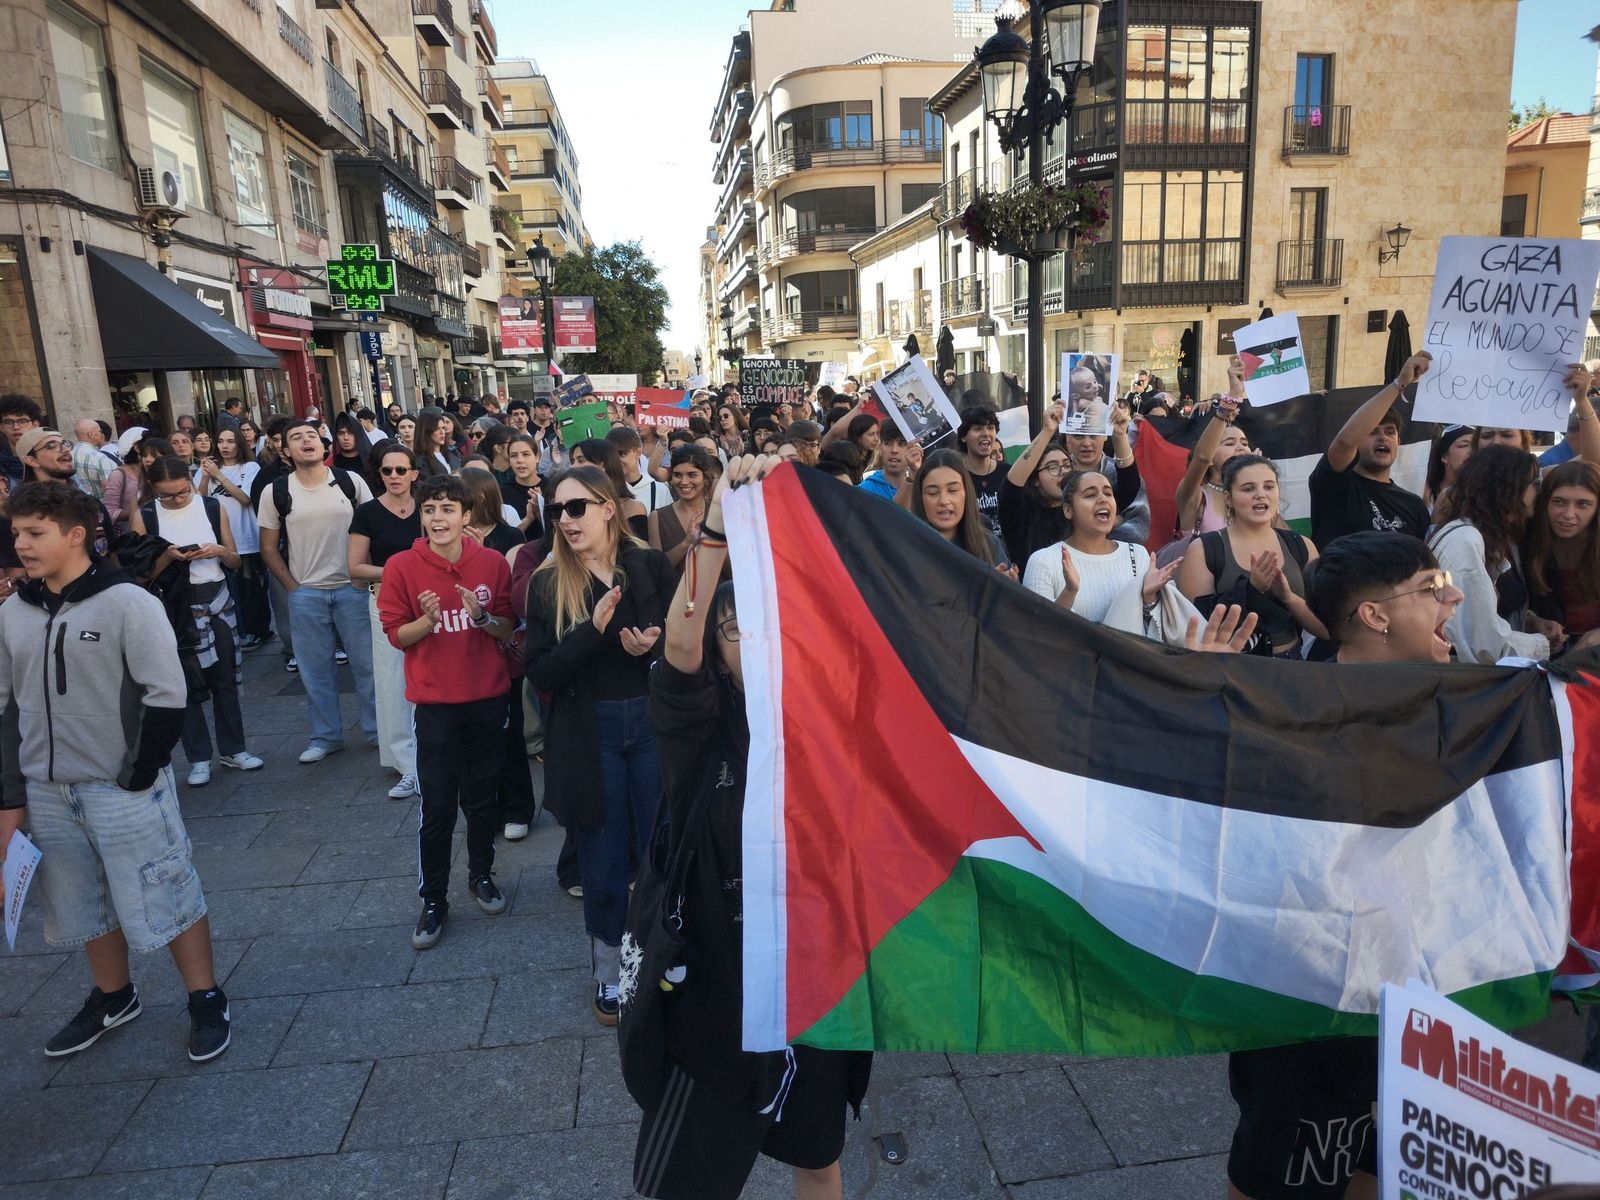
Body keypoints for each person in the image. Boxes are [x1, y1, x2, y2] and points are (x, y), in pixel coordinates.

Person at [631, 453, 872, 1200]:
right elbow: (679, 644)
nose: (752, 640)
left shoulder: (834, 721)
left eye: (769, 625)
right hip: (717, 995)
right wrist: (712, 532)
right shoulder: (699, 725)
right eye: (736, 628)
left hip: (817, 984)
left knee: (818, 1158)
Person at [1224, 532, 1465, 1200]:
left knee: (1375, 1153)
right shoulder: (1293, 713)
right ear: (1376, 616)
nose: (1456, 596)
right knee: (1282, 1173)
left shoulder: (1452, 704)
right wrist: (1202, 707)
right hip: (1311, 1000)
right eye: (1431, 587)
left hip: (1400, 991)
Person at [0, 481, 232, 1062]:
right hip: (48, 788)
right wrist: (13, 791)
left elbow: (166, 693)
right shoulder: (14, 611)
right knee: (79, 898)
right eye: (17, 534)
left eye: (35, 534)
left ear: (76, 536)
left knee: (167, 885)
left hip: (121, 784)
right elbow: (5, 706)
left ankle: (205, 997)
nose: (21, 546)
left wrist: (139, 771)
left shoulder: (128, 602)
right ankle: (114, 996)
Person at [525, 465, 675, 1024]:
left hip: (650, 724)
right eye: (557, 510)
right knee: (605, 857)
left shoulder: (648, 564)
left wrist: (650, 652)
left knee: (660, 849)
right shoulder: (547, 582)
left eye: (577, 507)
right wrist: (592, 631)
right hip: (590, 734)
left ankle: (663, 954)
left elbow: (676, 644)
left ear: (608, 508)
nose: (565, 519)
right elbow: (539, 670)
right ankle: (610, 971)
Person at [378, 474, 516, 950]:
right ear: (422, 515)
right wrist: (428, 621)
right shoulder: (400, 566)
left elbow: (505, 627)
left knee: (482, 798)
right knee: (436, 806)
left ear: (466, 515)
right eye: (431, 509)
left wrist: (480, 618)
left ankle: (482, 873)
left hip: (486, 699)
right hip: (435, 705)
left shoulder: (493, 563)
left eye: (447, 509)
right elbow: (396, 635)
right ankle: (433, 897)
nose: (439, 518)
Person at [131, 457, 264, 785]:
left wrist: (218, 550)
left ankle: (233, 749)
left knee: (225, 680)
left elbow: (234, 560)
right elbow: (140, 575)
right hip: (172, 607)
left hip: (216, 598)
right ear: (154, 491)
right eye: (167, 495)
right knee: (185, 685)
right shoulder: (146, 515)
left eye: (183, 491)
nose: (177, 499)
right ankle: (198, 756)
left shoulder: (209, 505)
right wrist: (168, 556)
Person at [256, 420, 378, 762]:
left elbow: (372, 531)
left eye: (312, 435)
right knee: (315, 671)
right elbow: (268, 547)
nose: (306, 441)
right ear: (285, 451)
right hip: (306, 593)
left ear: (323, 446)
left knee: (367, 667)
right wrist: (293, 588)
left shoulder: (350, 481)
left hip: (352, 590)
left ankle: (377, 731)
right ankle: (325, 737)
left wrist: (365, 580)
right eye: (296, 437)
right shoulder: (276, 491)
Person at [1178, 456, 1327, 658]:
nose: (1260, 495)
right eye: (1248, 489)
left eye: (1268, 486)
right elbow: (1197, 625)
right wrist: (1251, 589)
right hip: (1233, 670)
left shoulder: (1301, 545)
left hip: (1292, 665)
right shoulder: (1205, 548)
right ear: (1228, 498)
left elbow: (1326, 628)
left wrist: (1288, 598)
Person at [1427, 444, 1551, 665]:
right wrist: (1542, 644)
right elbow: (1483, 646)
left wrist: (1530, 621)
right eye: (1535, 483)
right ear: (1507, 487)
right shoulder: (1465, 540)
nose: (1538, 491)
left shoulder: (1485, 537)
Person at [349, 443, 422, 800]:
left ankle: (436, 755)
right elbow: (355, 568)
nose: (393, 476)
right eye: (387, 470)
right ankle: (407, 766)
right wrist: (400, 570)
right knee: (393, 680)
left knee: (436, 674)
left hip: (430, 601)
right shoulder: (367, 513)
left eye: (400, 469)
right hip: (387, 601)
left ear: (414, 473)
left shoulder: (428, 507)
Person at [1021, 469, 1178, 633]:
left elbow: (1154, 631)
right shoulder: (1044, 561)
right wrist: (1069, 592)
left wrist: (1150, 598)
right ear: (1068, 510)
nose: (1103, 499)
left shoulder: (1137, 555)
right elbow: (1037, 635)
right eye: (1090, 495)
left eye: (1108, 494)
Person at [1308, 353, 1433, 548]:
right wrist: (1399, 383)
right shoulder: (1335, 486)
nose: (1383, 437)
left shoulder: (1414, 505)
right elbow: (1344, 442)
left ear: (1398, 441)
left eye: (1390, 432)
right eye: (1372, 432)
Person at [198, 427, 270, 652]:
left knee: (250, 589)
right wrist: (205, 477)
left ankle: (258, 630)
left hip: (246, 537)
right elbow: (198, 501)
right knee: (230, 589)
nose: (224, 446)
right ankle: (239, 631)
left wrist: (219, 477)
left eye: (230, 441)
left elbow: (245, 498)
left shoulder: (250, 467)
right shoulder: (207, 468)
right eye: (220, 441)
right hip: (218, 539)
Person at [1526, 460, 1600, 651]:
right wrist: (1533, 620)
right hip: (1542, 655)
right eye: (1559, 502)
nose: (1568, 514)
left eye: (1583, 504)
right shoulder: (1528, 540)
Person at [16, 428, 117, 556]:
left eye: (65, 444)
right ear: (31, 460)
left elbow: (113, 554)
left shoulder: (91, 504)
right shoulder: (21, 512)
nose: (66, 449)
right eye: (52, 446)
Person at [1061, 400, 1145, 544]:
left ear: (1105, 435)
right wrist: (1113, 521)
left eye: (1093, 435)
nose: (1086, 443)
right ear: (1068, 438)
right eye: (1079, 436)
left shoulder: (1122, 474)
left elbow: (1139, 531)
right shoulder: (1055, 475)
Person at [911, 448, 1007, 568]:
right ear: (920, 496)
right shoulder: (905, 548)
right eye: (932, 492)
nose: (944, 501)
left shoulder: (990, 545)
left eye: (953, 490)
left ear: (967, 492)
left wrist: (1004, 583)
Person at [648, 445, 715, 570]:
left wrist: (714, 540)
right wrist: (686, 543)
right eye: (678, 475)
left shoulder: (720, 515)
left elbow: (734, 571)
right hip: (674, 589)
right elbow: (656, 570)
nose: (684, 482)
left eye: (692, 475)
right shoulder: (657, 518)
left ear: (705, 477)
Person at [571, 438, 650, 539]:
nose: (573, 467)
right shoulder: (571, 507)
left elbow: (639, 550)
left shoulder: (632, 508)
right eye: (573, 461)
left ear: (602, 465)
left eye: (581, 460)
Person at [956, 407, 1005, 537]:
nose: (985, 433)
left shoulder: (1009, 473)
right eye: (977, 429)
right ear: (963, 437)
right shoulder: (955, 476)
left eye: (990, 428)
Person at [461, 467, 526, 556]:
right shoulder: (449, 532)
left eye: (457, 492)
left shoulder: (511, 536)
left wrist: (479, 553)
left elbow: (510, 570)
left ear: (480, 497)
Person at [609, 425, 671, 513]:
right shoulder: (606, 491)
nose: (616, 460)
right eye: (612, 455)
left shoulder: (659, 490)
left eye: (621, 454)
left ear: (638, 453)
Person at [858, 420, 917, 502]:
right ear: (879, 447)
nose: (894, 450)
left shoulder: (921, 488)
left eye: (901, 444)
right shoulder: (864, 491)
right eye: (888, 443)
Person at [1423, 423, 1474, 515]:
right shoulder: (1425, 491)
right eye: (1463, 445)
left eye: (1475, 446)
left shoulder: (1480, 495)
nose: (1471, 451)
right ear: (1444, 456)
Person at [502, 433, 544, 537]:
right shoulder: (503, 492)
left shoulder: (553, 487)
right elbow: (504, 540)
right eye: (513, 455)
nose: (519, 460)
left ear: (537, 457)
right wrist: (528, 519)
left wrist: (541, 511)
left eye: (526, 454)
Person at [69, 418, 121, 500]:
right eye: (99, 431)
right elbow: (108, 490)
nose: (101, 434)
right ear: (91, 435)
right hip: (100, 507)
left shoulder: (68, 454)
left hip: (78, 506)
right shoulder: (99, 457)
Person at [0, 392, 43, 485]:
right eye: (8, 422)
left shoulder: (48, 458)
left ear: (35, 424)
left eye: (22, 421)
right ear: (1, 428)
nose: (16, 427)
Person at [414, 410, 460, 479]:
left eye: (443, 428)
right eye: (437, 428)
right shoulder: (420, 461)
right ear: (426, 431)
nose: (442, 432)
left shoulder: (453, 452)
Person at [530, 398, 567, 476]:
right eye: (540, 407)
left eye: (546, 408)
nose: (543, 410)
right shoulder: (549, 451)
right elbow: (542, 476)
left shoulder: (581, 448)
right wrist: (555, 465)